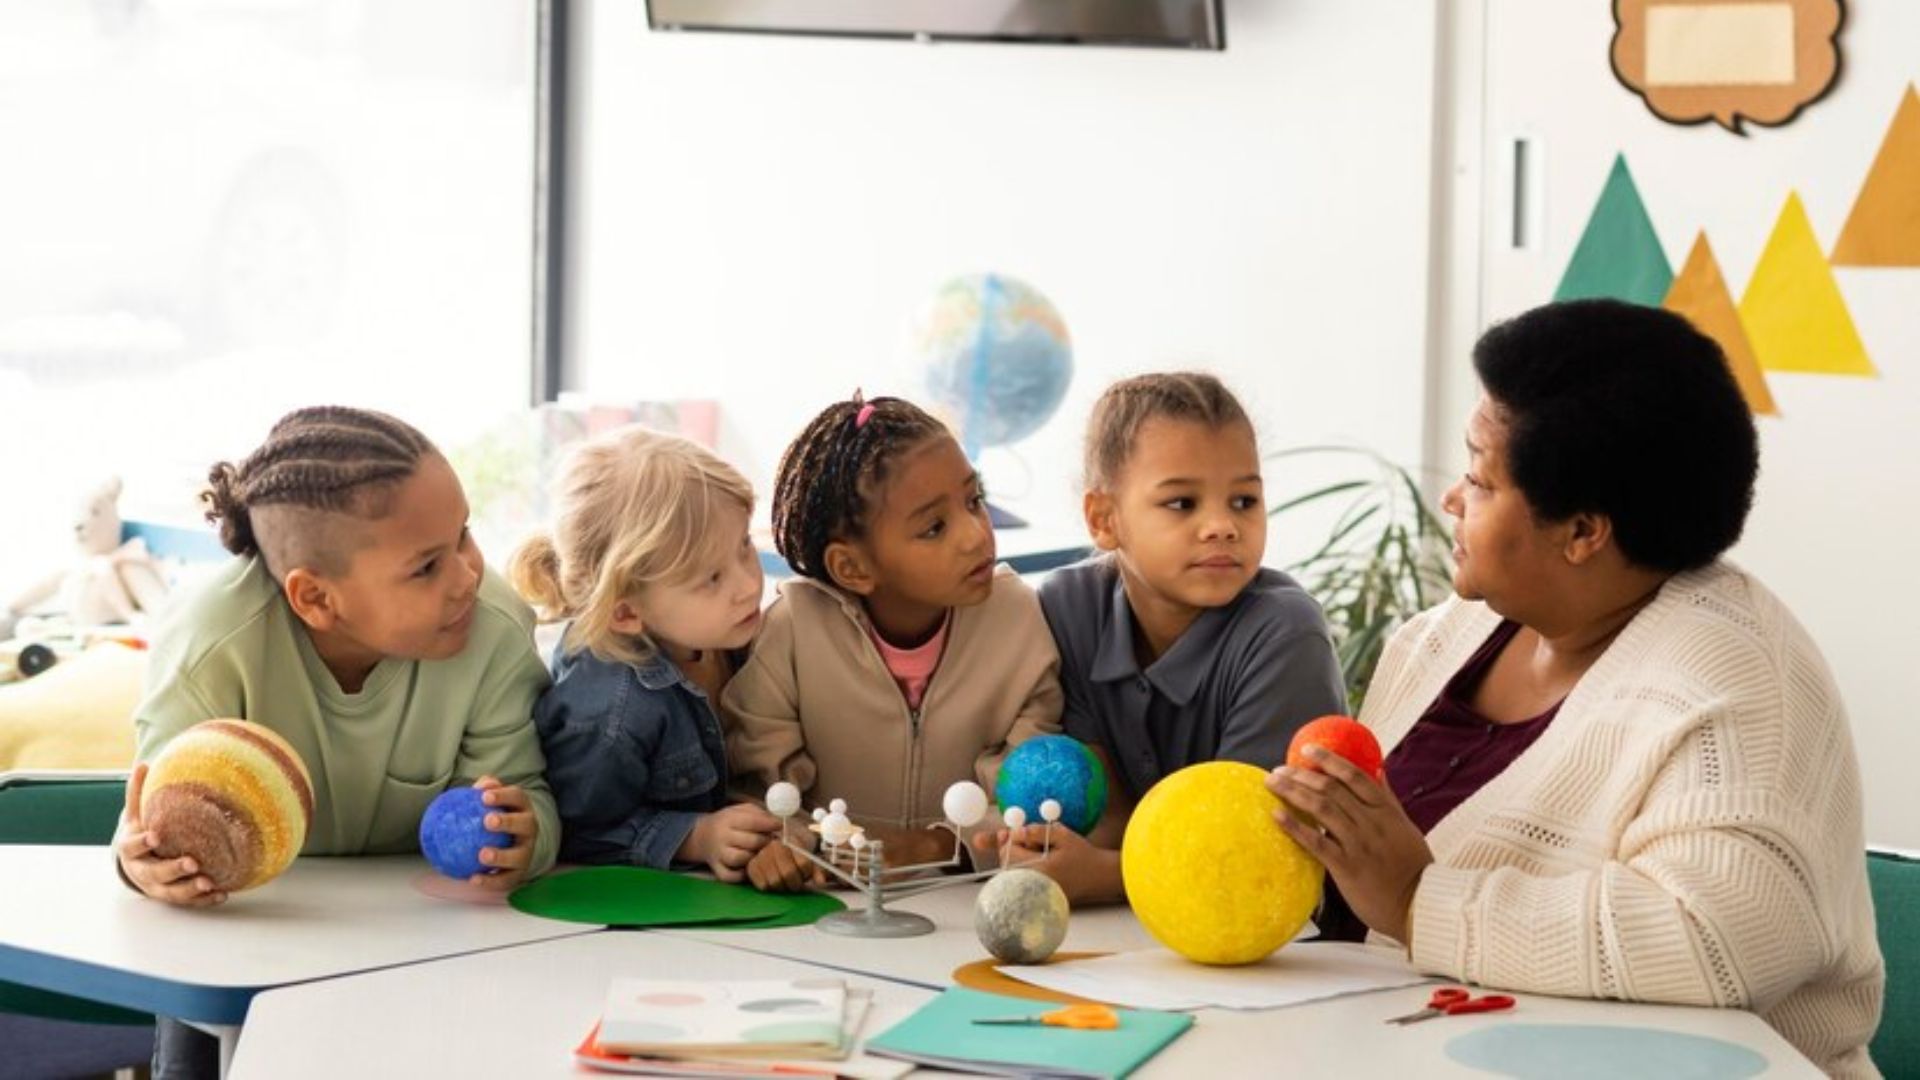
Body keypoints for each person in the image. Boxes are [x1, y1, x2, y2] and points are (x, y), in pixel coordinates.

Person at [1268, 300, 1883, 1076]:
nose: (1451, 500)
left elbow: (1721, 943)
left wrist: (1422, 900)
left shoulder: (1735, 684)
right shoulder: (1440, 638)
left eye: (1480, 479)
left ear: (1583, 532)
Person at [114, 406, 558, 1080]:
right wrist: (141, 864)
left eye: (464, 536)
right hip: (247, 932)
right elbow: (146, 826)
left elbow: (529, 794)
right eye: (427, 566)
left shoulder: (491, 627)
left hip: (428, 938)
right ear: (316, 599)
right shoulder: (211, 644)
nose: (467, 574)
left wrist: (526, 838)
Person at [993, 371, 1346, 904]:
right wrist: (1047, 850)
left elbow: (1246, 852)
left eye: (1244, 501)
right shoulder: (1070, 608)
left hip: (1272, 938)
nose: (1222, 525)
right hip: (1134, 933)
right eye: (1183, 503)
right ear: (1104, 519)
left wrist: (1103, 878)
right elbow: (1108, 816)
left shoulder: (1285, 635)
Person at [724, 393, 1063, 891]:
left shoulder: (1018, 621)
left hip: (966, 905)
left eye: (974, 500)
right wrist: (781, 849)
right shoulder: (794, 630)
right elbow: (757, 789)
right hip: (826, 909)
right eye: (934, 527)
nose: (975, 535)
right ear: (853, 568)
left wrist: (933, 844)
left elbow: (1027, 801)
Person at [510, 426, 781, 880]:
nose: (749, 585)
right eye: (712, 578)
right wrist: (695, 836)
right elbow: (577, 831)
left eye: (744, 546)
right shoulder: (610, 709)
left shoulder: (736, 635)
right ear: (626, 613)